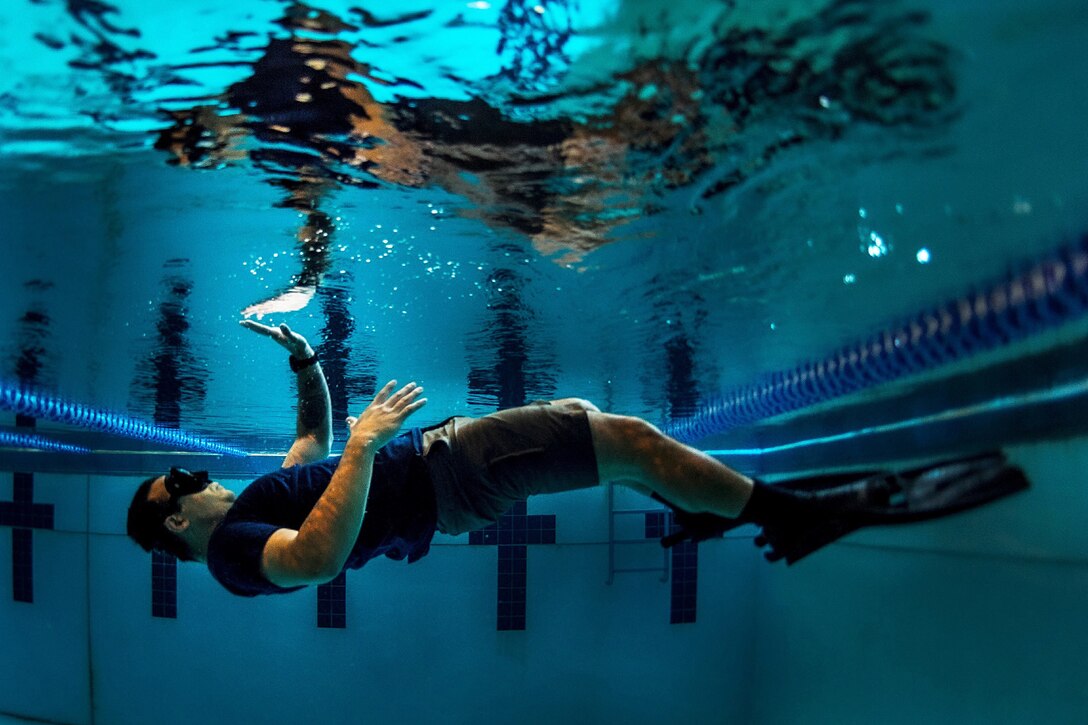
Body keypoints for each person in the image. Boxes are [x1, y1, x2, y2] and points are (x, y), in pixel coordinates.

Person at [127, 321, 1029, 597]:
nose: (193, 474)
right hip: (440, 475)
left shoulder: (249, 505)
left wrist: (306, 364)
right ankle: (784, 513)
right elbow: (318, 556)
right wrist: (368, 445)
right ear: (174, 515)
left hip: (441, 480)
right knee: (624, 437)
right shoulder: (239, 556)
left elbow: (308, 445)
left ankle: (718, 506)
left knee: (614, 439)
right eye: (180, 481)